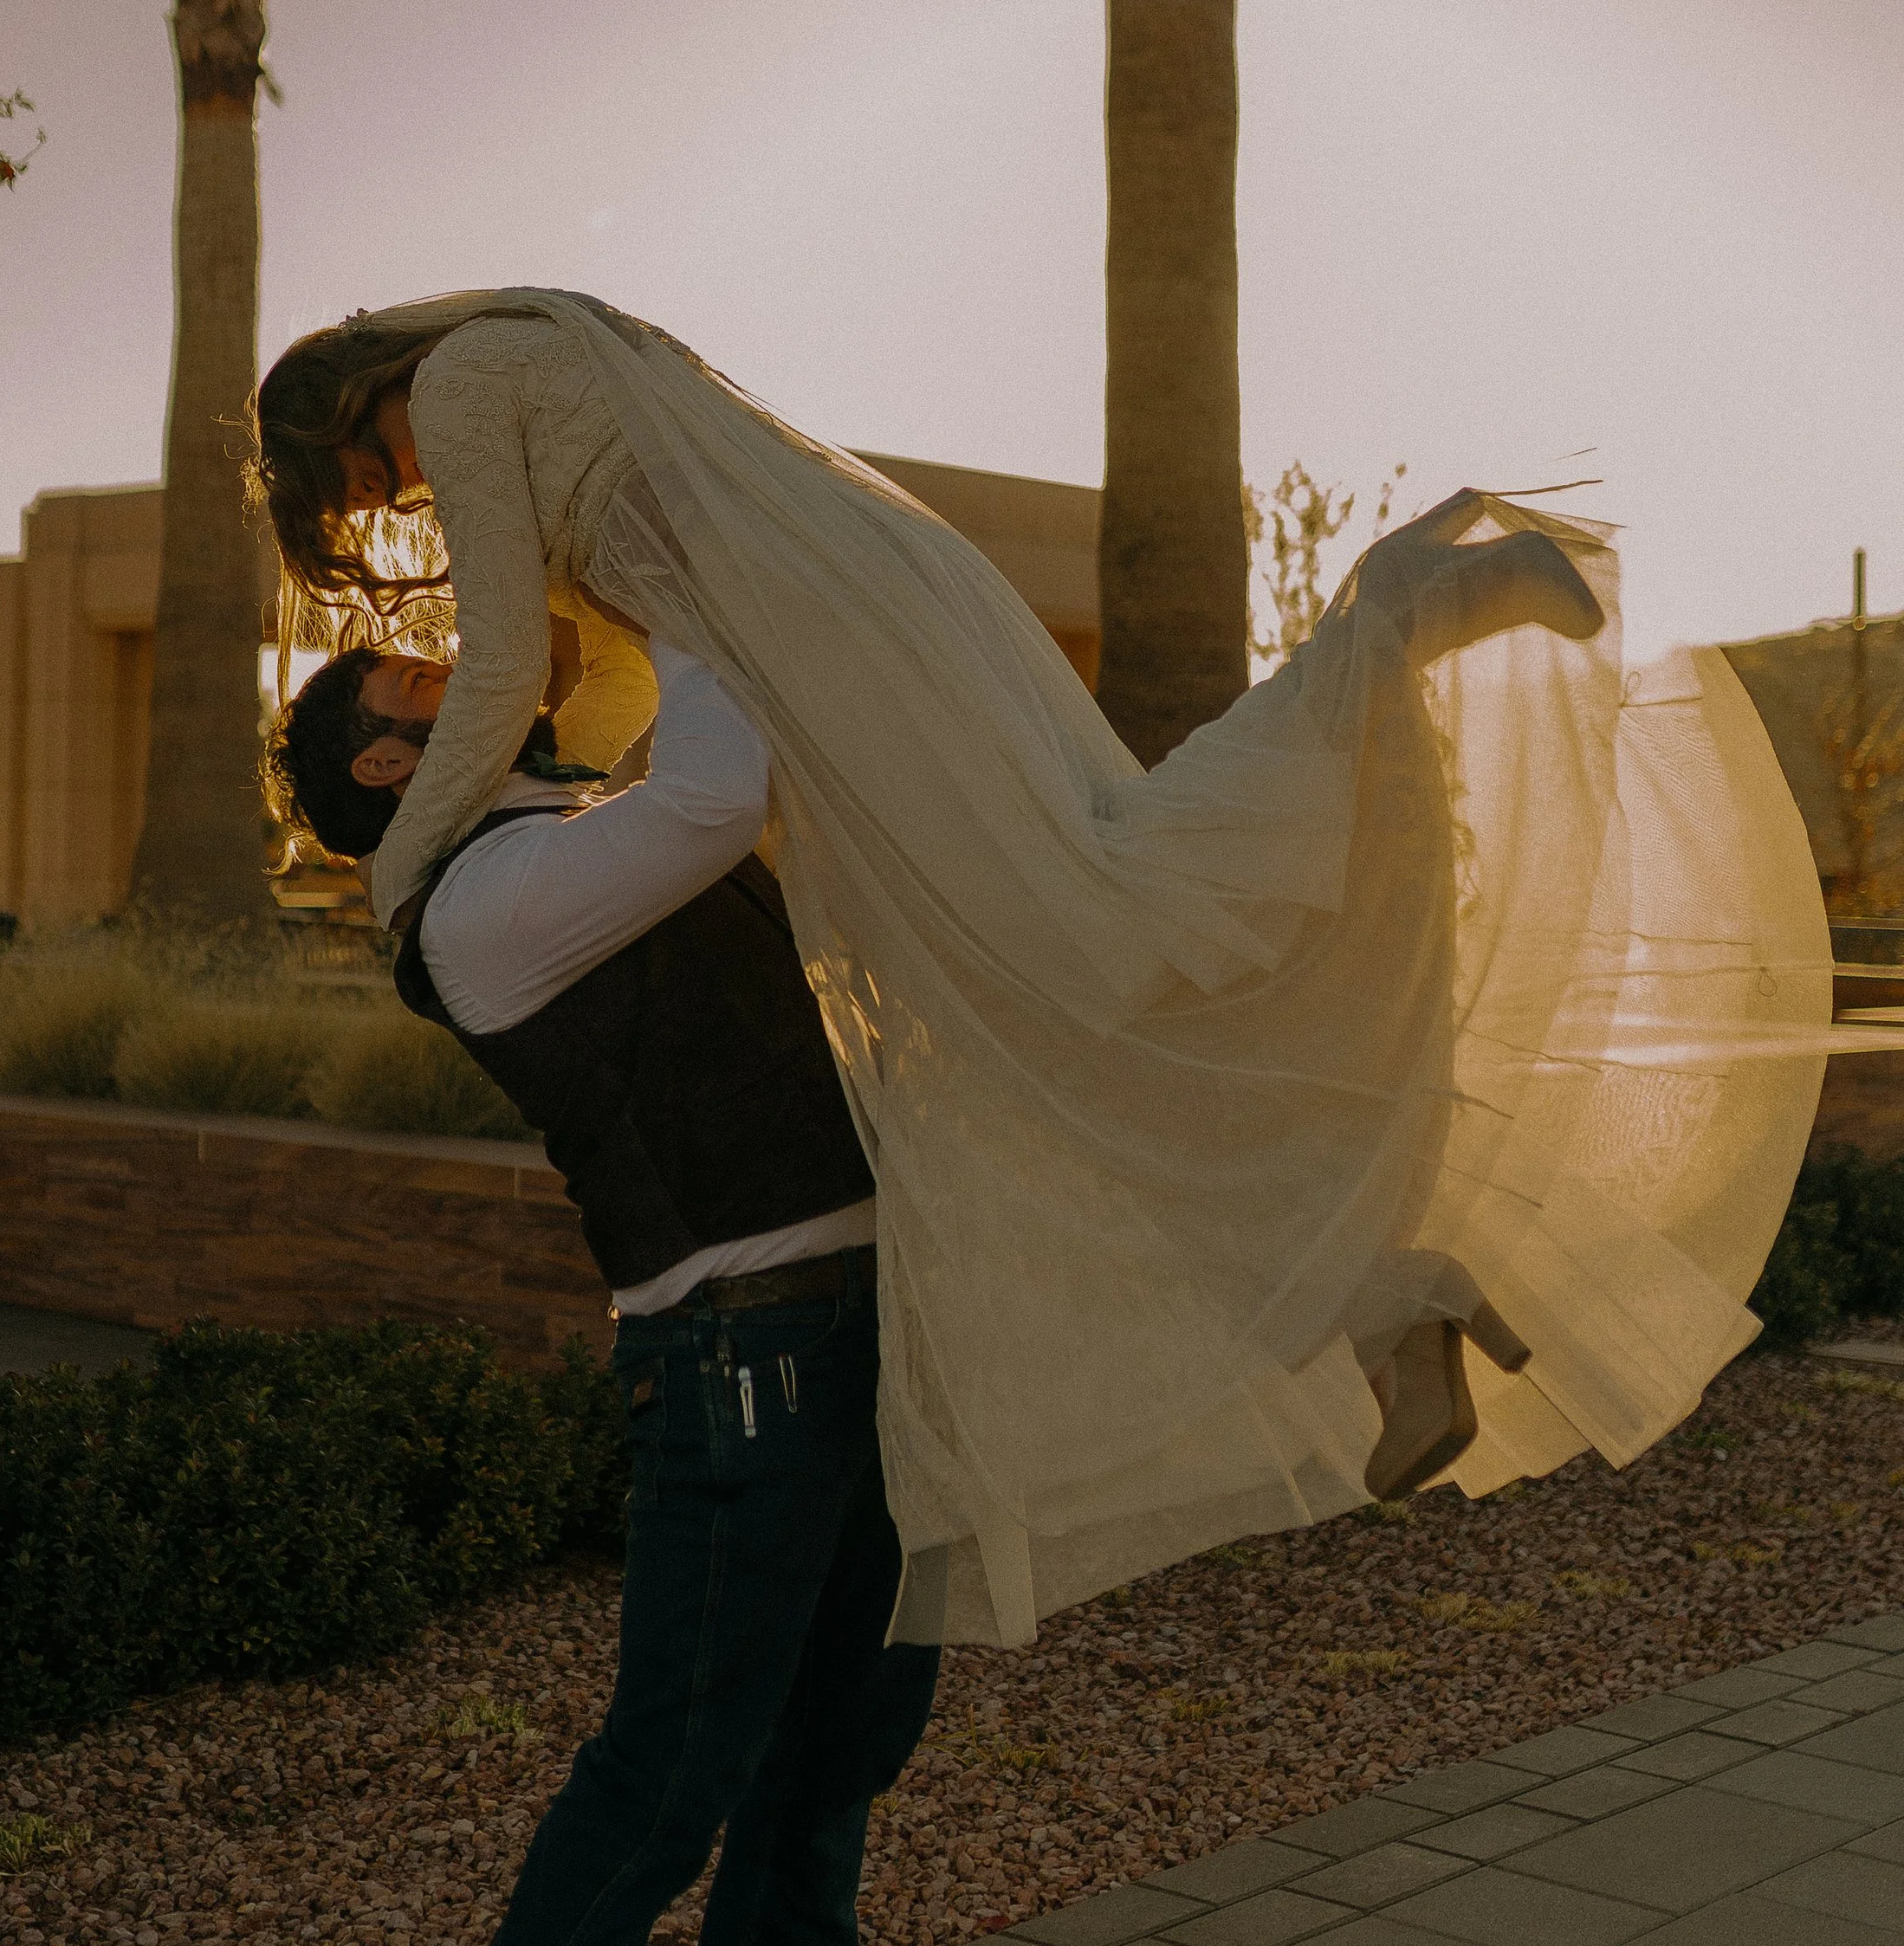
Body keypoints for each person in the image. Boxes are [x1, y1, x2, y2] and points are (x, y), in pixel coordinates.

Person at [254, 288, 1835, 1643]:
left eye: (362, 473)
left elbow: (519, 673)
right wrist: (589, 808)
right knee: (1048, 1011)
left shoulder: (458, 379)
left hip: (823, 657)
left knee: (1101, 916)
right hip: (826, 647)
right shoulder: (535, 366)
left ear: (347, 401)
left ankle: (1398, 607)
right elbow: (584, 680)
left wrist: (401, 869)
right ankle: (1377, 1300)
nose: (392, 491)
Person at [269, 635, 944, 1946]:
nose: (475, 659)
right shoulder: (477, 906)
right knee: (656, 1792)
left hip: (861, 1322)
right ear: (380, 770)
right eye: (431, 677)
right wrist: (690, 558)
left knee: (853, 1714)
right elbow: (717, 780)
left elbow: (685, 770)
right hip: (741, 1363)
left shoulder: (557, 828)